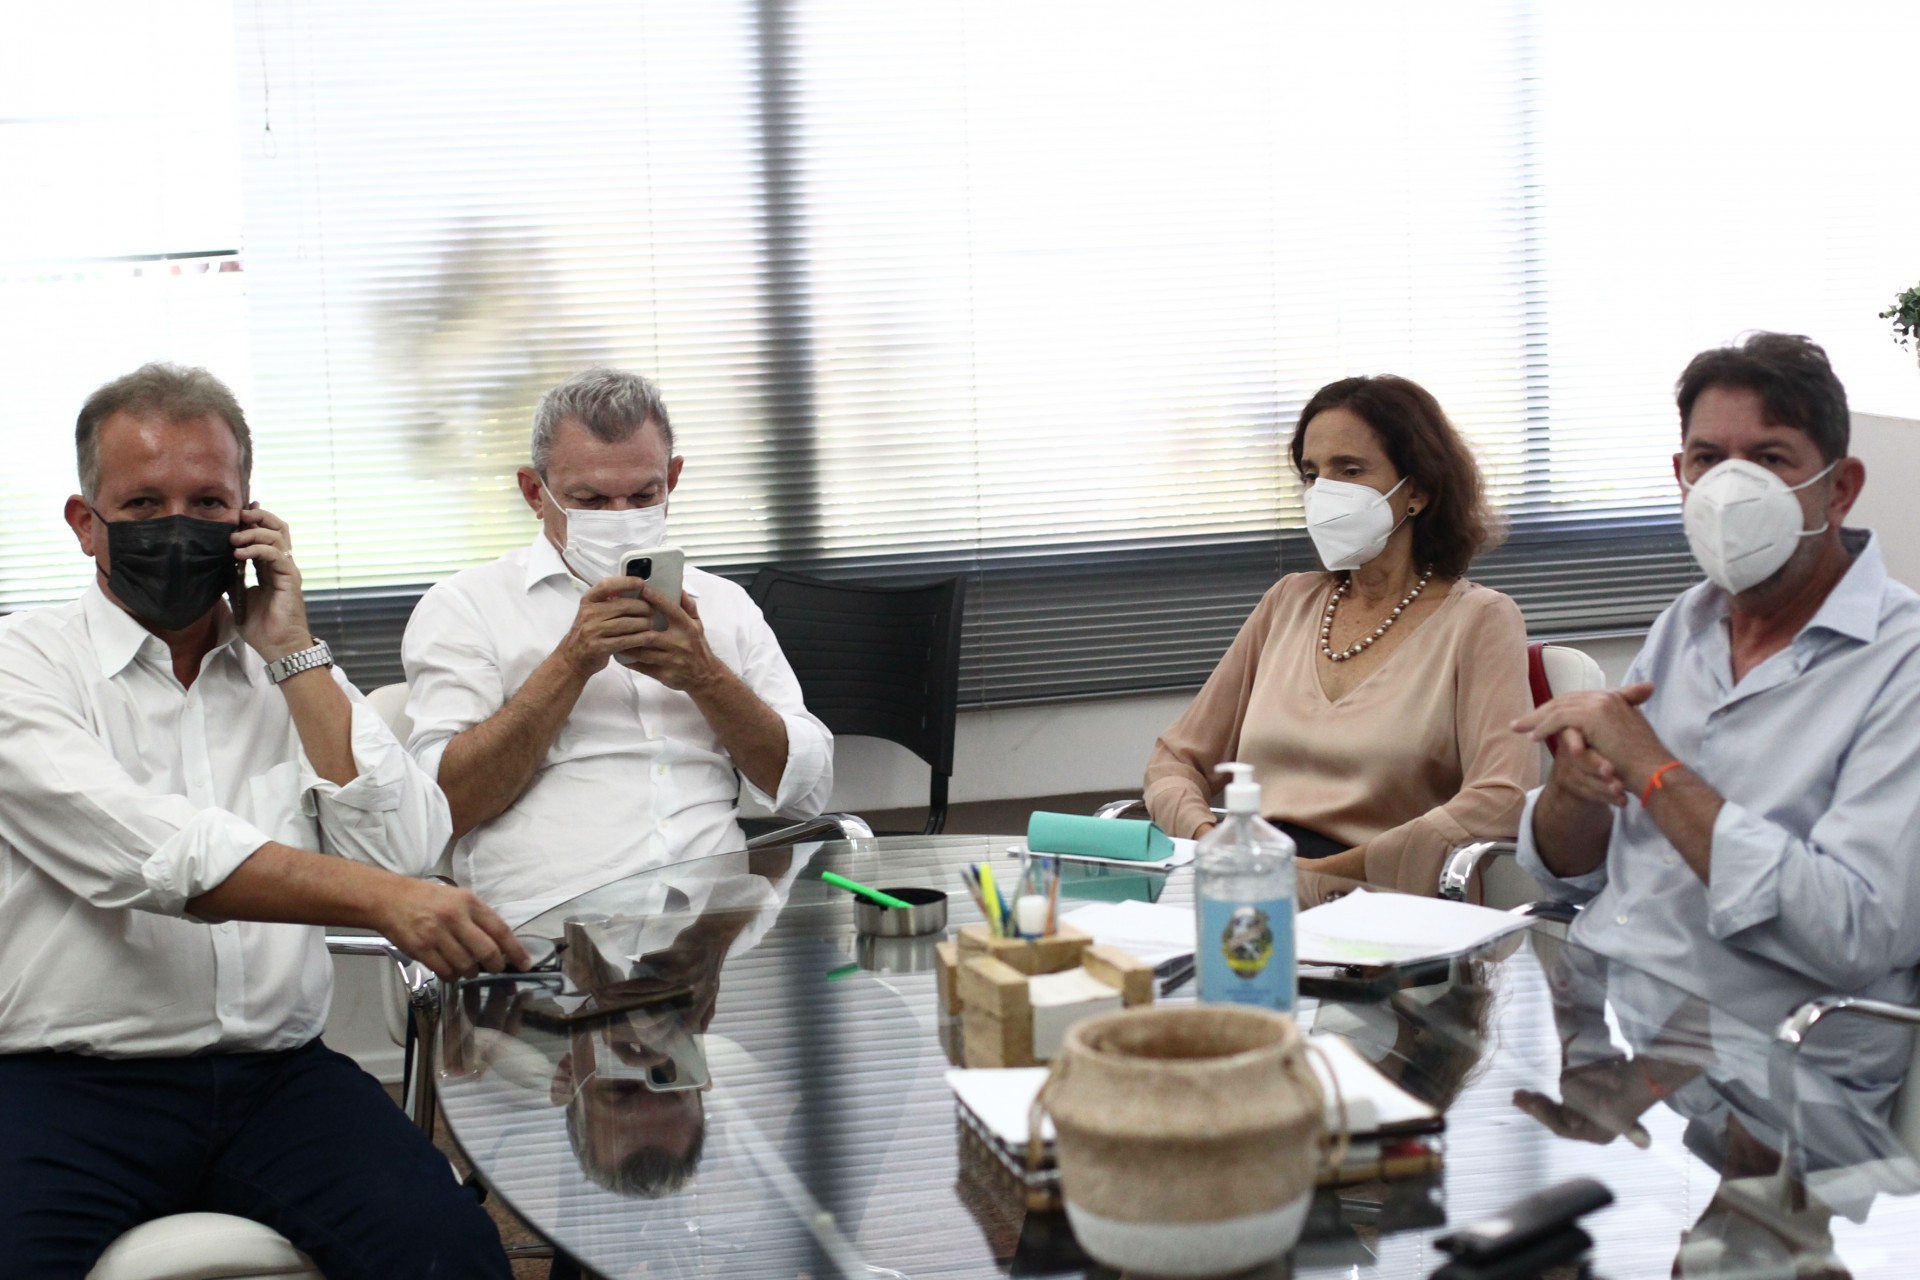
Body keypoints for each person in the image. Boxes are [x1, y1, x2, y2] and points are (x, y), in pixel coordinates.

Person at [0, 363, 529, 1279]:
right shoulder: (25, 664)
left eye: (208, 501)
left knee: (451, 1252)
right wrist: (384, 900)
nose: (178, 526)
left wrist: (292, 649)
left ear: (249, 519)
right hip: (65, 1083)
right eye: (142, 503)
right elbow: (156, 855)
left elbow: (406, 847)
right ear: (87, 526)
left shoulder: (289, 673)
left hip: (276, 1078)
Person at [1514, 331, 1920, 1110]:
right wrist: (1572, 792)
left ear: (1839, 489)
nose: (1733, 488)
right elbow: (1574, 871)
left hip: (1769, 1077)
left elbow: (1855, 933)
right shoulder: (1685, 626)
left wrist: (1654, 770)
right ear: (1680, 477)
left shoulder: (1900, 663)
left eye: (1769, 459)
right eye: (1708, 460)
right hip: (1607, 1020)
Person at [402, 367, 832, 922]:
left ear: (672, 480)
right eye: (591, 500)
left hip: (710, 927)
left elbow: (807, 789)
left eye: (643, 494)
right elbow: (443, 807)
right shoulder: (465, 607)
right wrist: (571, 663)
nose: (621, 518)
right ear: (536, 492)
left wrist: (706, 678)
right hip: (547, 935)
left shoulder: (725, 605)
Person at [1144, 375, 1538, 894]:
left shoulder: (1480, 619)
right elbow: (1176, 761)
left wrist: (1334, 872)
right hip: (1258, 890)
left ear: (1416, 490)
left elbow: (1503, 796)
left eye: (1348, 470)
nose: (1323, 492)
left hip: (1386, 902)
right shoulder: (1288, 603)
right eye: (1311, 474)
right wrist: (1212, 839)